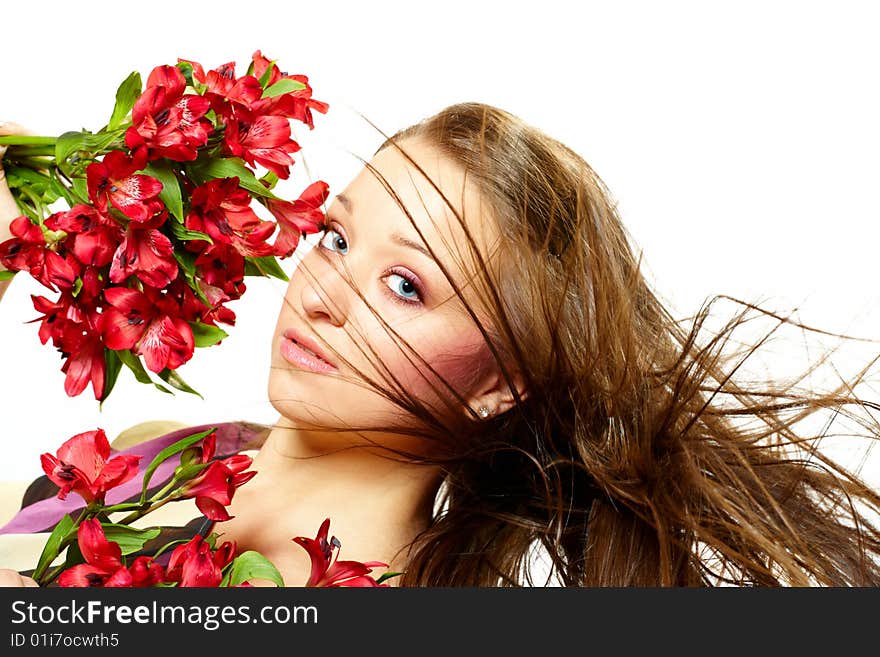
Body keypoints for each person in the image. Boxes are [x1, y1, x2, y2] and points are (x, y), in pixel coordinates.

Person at [1, 101, 880, 588]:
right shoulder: (161, 449)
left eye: (406, 284)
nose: (324, 291)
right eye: (338, 238)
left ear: (501, 383)